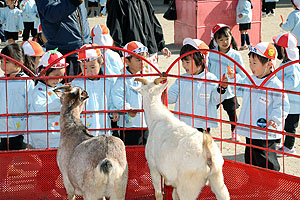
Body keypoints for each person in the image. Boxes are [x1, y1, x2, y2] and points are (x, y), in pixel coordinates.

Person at [225, 42, 290, 171]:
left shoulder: (275, 84)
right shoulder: (251, 80)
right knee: (250, 157)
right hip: (251, 127)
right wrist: (233, 78)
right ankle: (252, 180)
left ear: (269, 64)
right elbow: (240, 86)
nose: (251, 66)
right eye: (250, 62)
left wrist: (275, 120)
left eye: (254, 63)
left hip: (265, 129)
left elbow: (282, 105)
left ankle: (271, 183)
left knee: (266, 159)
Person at [168, 38, 230, 133]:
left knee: (201, 147)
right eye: (183, 62)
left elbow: (215, 100)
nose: (184, 65)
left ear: (201, 61)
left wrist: (222, 88)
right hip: (183, 124)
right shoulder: (182, 79)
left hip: (202, 125)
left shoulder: (210, 78)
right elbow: (171, 97)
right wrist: (161, 91)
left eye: (187, 62)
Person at [208, 24, 246, 141]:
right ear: (215, 40)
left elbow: (242, 73)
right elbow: (207, 70)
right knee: (210, 111)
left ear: (231, 37)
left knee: (232, 112)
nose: (225, 42)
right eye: (221, 39)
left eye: (227, 38)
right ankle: (206, 132)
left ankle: (235, 131)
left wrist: (234, 76)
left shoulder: (235, 55)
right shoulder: (211, 54)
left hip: (230, 91)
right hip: (215, 89)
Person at [106, 0, 171, 68]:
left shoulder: (143, 1)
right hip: (133, 54)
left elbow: (153, 21)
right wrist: (120, 53)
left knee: (150, 77)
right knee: (135, 78)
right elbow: (115, 28)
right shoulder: (118, 2)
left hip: (150, 51)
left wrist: (161, 45)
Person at [35, 0, 91, 77]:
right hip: (63, 51)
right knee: (66, 87)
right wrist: (74, 2)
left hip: (84, 51)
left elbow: (83, 19)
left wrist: (88, 40)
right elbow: (51, 14)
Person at [71, 44, 116, 136]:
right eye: (84, 67)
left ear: (100, 64)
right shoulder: (77, 83)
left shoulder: (107, 83)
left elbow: (111, 101)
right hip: (84, 127)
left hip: (104, 126)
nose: (88, 71)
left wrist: (113, 111)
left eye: (92, 67)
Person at [110, 41, 149, 145]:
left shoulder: (147, 75)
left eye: (144, 58)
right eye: (138, 59)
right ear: (127, 61)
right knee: (131, 149)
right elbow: (116, 97)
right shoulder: (122, 79)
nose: (142, 62)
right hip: (129, 124)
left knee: (145, 148)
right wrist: (127, 108)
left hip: (145, 122)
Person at [28, 50, 66, 149]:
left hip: (56, 135)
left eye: (61, 76)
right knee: (47, 162)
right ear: (44, 73)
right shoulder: (38, 91)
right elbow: (42, 108)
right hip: (43, 137)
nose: (58, 80)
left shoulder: (60, 87)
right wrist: (61, 102)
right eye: (55, 76)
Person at [0, 43, 35, 150]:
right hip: (3, 128)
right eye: (1, 62)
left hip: (20, 130)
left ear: (19, 63)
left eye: (7, 62)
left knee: (18, 157)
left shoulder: (26, 82)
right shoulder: (1, 80)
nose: (2, 65)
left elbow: (31, 105)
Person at [273, 32, 300, 156]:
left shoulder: (293, 66)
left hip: (294, 104)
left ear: (283, 49)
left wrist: (278, 82)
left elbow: (292, 83)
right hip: (287, 102)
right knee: (283, 123)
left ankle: (289, 147)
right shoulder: (286, 63)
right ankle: (281, 143)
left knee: (290, 127)